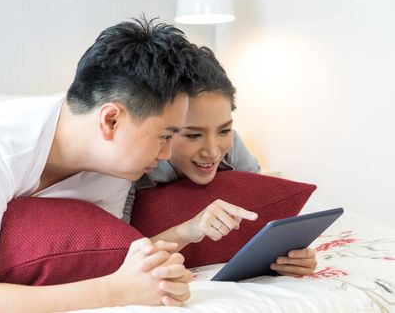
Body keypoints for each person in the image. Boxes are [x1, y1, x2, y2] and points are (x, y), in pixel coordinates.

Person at [0, 18, 201, 312]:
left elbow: (94, 257)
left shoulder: (115, 167)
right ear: (110, 120)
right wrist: (115, 291)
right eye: (164, 136)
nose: (166, 154)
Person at [123, 46, 317, 277]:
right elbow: (121, 258)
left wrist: (291, 255)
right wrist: (187, 230)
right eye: (193, 135)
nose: (213, 152)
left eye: (224, 130)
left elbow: (261, 212)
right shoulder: (133, 164)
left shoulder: (232, 146)